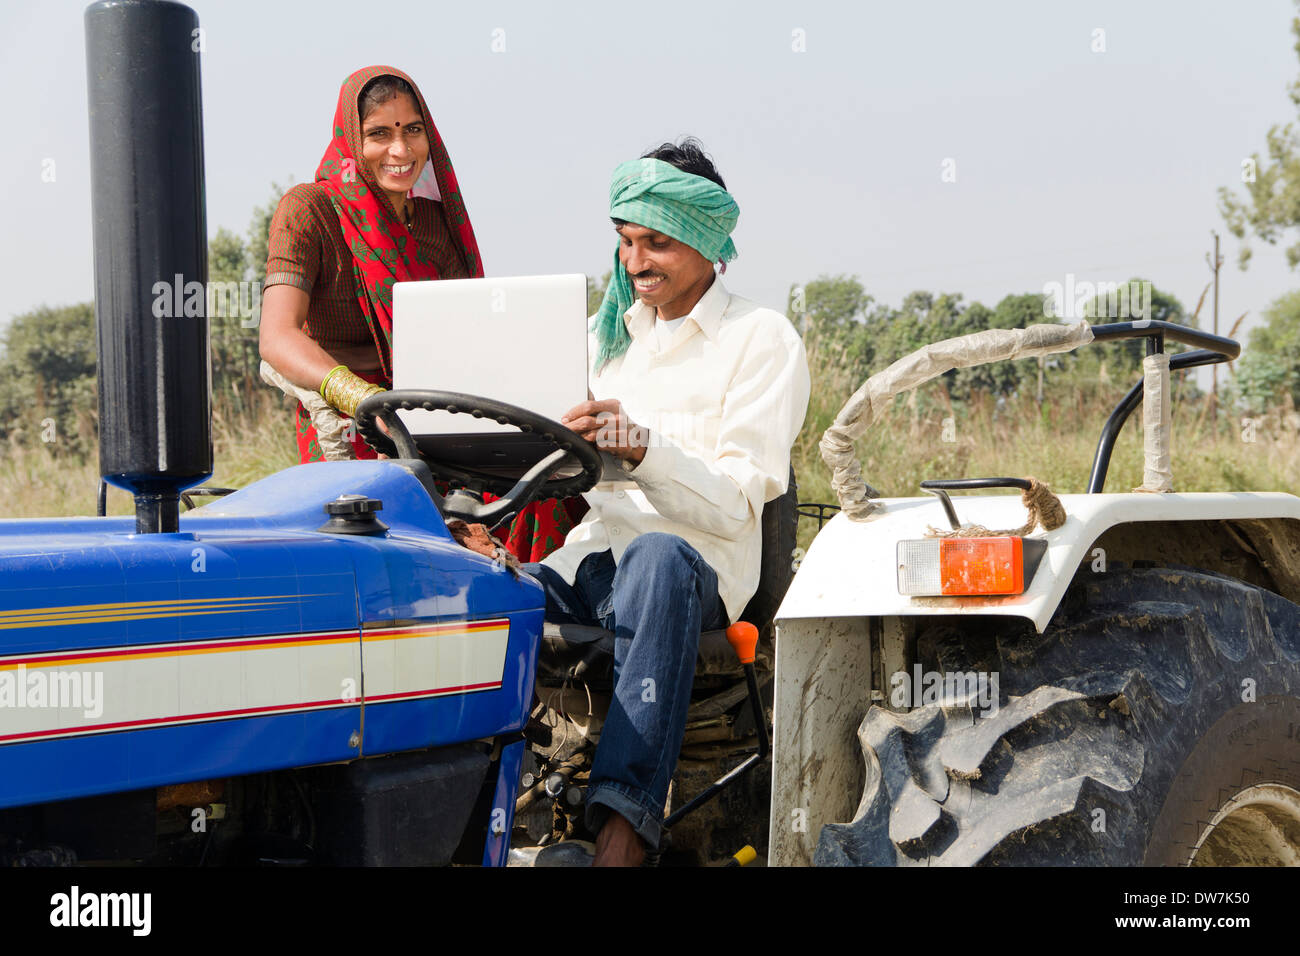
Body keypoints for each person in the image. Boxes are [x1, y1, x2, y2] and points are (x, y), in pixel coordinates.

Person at [522, 139, 811, 866]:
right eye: (625, 242)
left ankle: (621, 836)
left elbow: (736, 504)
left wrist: (647, 448)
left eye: (657, 243)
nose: (635, 262)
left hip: (697, 574)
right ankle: (493, 811)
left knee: (654, 555)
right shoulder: (602, 338)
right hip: (596, 565)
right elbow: (567, 475)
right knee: (487, 591)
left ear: (709, 243)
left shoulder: (761, 340)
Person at [259, 65, 582, 562]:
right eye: (379, 134)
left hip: (435, 412)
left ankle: (543, 624)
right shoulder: (308, 211)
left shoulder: (435, 225)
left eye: (413, 130)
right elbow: (277, 337)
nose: (401, 150)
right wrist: (368, 399)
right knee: (399, 548)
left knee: (544, 488)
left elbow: (474, 332)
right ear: (351, 137)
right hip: (355, 423)